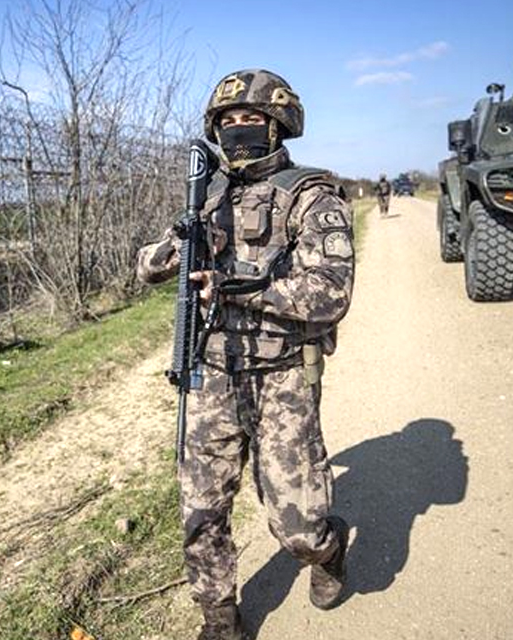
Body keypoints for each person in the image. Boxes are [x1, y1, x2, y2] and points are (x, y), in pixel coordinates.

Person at [136, 69, 354, 640]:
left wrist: (246, 289)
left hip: (282, 373)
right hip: (211, 371)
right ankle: (220, 616)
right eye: (227, 122)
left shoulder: (309, 193)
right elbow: (146, 265)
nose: (238, 130)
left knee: (297, 525)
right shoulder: (204, 197)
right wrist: (182, 244)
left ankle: (327, 552)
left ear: (278, 126)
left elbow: (331, 293)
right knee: (201, 508)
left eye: (250, 120)